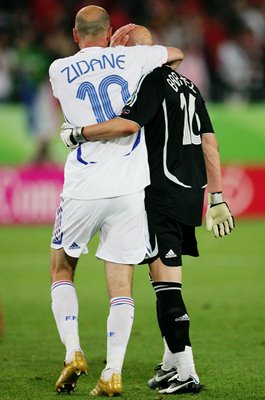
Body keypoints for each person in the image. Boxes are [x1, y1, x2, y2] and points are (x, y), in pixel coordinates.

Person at [60, 25, 235, 395]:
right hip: (191, 190)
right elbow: (211, 144)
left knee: (166, 284)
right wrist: (216, 197)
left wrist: (79, 133)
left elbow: (127, 124)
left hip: (160, 191)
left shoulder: (151, 82)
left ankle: (186, 370)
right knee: (164, 280)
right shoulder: (189, 85)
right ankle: (172, 363)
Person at [48, 6, 184, 397]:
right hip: (128, 190)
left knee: (61, 269)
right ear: (109, 31)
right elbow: (175, 53)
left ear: (76, 34)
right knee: (121, 285)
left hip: (82, 187)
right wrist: (134, 39)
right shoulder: (134, 57)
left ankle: (73, 351)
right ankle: (112, 371)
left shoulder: (59, 68)